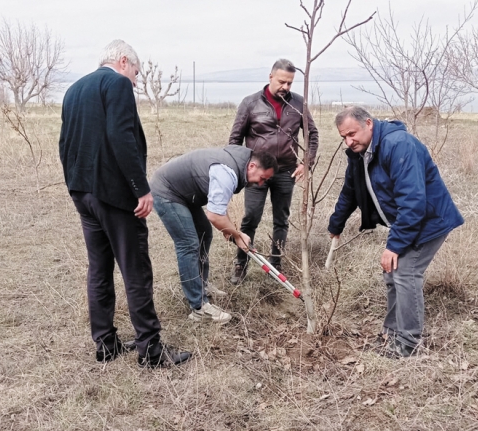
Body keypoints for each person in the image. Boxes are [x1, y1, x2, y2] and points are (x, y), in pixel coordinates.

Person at [58, 39, 191, 368]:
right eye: (136, 71)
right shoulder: (116, 84)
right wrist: (140, 188)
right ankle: (150, 349)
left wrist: (76, 185)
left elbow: (65, 143)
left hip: (83, 193)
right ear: (122, 61)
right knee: (136, 270)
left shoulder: (74, 89)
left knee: (99, 270)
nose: (135, 80)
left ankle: (105, 343)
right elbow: (121, 136)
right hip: (115, 197)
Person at [328, 106, 464, 358]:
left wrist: (394, 245)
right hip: (409, 220)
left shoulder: (398, 145)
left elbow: (413, 201)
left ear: (368, 123)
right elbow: (350, 190)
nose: (348, 141)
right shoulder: (359, 152)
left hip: (429, 220)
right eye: (343, 137)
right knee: (392, 273)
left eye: (352, 133)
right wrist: (336, 224)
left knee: (404, 273)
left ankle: (408, 344)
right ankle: (391, 333)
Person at [150, 147, 278, 323]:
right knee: (188, 244)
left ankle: (200, 284)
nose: (261, 183)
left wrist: (230, 231)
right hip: (167, 192)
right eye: (262, 178)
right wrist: (237, 234)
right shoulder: (227, 173)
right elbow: (215, 216)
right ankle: (199, 308)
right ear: (252, 166)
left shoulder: (239, 162)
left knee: (204, 232)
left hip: (184, 193)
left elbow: (219, 213)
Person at [228, 59, 319, 284]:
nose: (285, 87)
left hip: (287, 172)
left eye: (289, 83)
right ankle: (241, 263)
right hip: (256, 174)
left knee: (282, 220)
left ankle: (275, 266)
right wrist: (239, 169)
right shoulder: (249, 103)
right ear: (270, 77)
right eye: (281, 82)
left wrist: (306, 163)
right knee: (251, 218)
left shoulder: (299, 103)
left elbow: (312, 135)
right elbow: (234, 140)